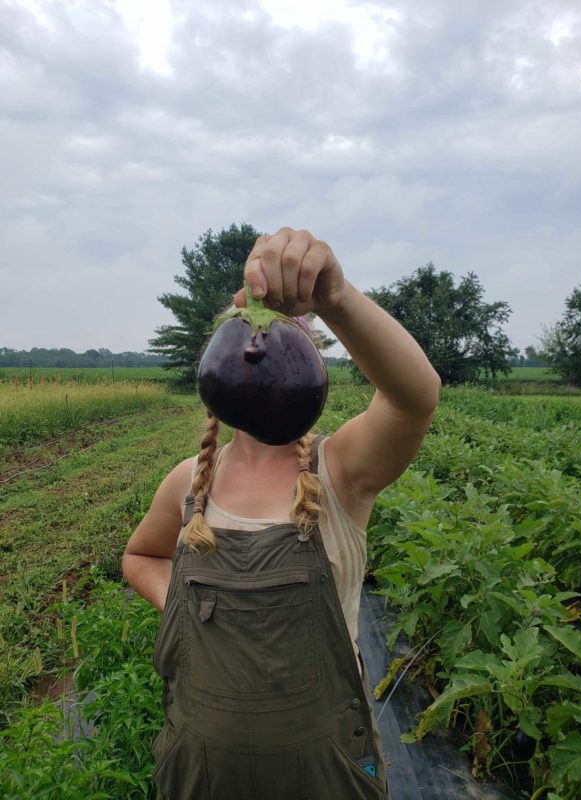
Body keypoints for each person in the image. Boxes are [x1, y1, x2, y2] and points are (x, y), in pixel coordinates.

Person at [122, 227, 441, 800]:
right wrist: (189, 606)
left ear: (310, 355)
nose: (259, 344)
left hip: (326, 776)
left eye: (286, 333)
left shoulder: (338, 472)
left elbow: (414, 398)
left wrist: (336, 297)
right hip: (200, 777)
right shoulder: (190, 483)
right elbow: (141, 554)